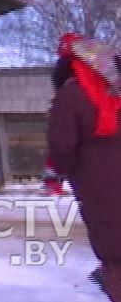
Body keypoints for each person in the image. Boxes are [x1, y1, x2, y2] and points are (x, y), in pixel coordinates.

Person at [48, 33, 121, 300]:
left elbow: (62, 146)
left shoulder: (71, 95)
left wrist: (65, 170)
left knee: (114, 247)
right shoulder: (116, 91)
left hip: (98, 184)